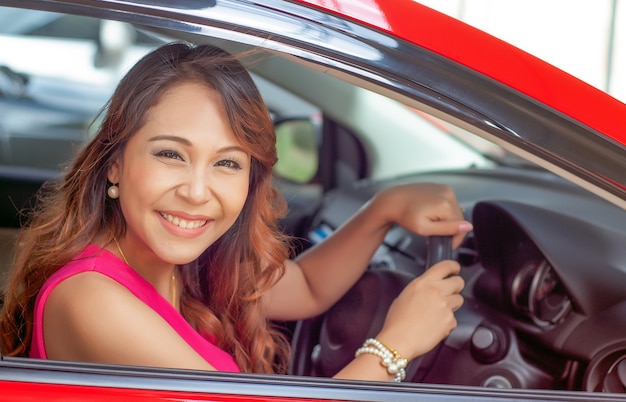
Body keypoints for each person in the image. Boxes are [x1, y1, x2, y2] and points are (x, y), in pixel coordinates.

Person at [0, 42, 472, 381]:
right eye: (170, 154)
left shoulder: (183, 261)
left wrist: (382, 209)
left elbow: (306, 288)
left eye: (226, 163)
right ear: (115, 164)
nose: (197, 191)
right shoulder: (92, 299)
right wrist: (396, 346)